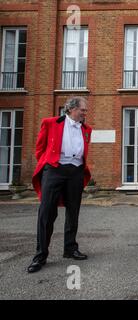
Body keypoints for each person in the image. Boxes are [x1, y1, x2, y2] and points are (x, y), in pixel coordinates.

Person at [27, 96, 92, 273]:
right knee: (46, 213)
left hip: (76, 171)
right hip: (55, 170)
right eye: (83, 110)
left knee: (73, 212)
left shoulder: (86, 129)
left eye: (86, 110)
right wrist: (48, 164)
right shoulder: (50, 123)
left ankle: (70, 249)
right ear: (71, 109)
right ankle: (40, 255)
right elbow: (40, 149)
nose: (85, 113)